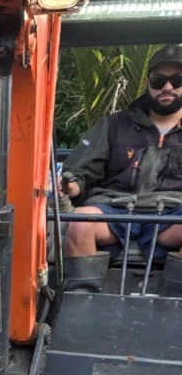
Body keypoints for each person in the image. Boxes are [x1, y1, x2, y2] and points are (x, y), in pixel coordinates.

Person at [61, 45, 182, 290]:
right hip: (114, 210)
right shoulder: (113, 125)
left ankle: (173, 308)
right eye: (159, 80)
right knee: (79, 222)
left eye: (177, 79)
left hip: (173, 214)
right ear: (148, 83)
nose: (167, 87)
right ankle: (80, 307)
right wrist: (71, 185)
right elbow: (78, 172)